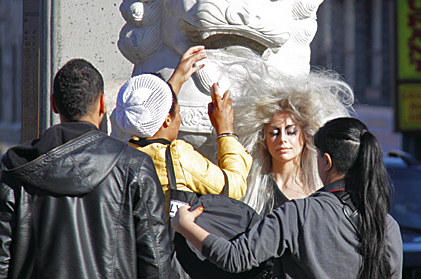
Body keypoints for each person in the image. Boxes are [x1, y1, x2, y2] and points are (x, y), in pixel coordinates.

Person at [0, 59, 187, 278]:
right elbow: (155, 261)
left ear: (53, 104)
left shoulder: (17, 166)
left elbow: (3, 259)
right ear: (102, 104)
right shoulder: (134, 167)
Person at [171, 117, 403, 279]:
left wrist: (185, 225)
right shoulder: (388, 226)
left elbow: (235, 258)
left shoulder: (298, 213)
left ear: (327, 161)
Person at [114, 46, 253, 216]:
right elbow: (235, 186)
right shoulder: (178, 157)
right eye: (177, 112)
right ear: (166, 118)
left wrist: (177, 79)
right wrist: (225, 131)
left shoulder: (122, 153)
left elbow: (147, 112)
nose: (178, 120)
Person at [234, 70, 354, 216]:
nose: (282, 139)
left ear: (306, 135)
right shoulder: (253, 189)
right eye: (274, 132)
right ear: (263, 138)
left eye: (291, 131)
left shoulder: (318, 188)